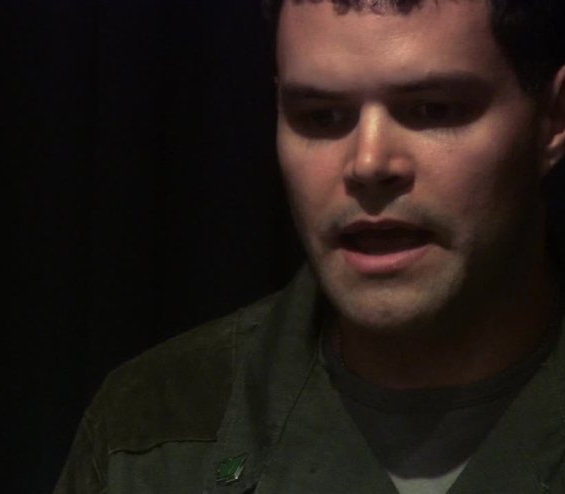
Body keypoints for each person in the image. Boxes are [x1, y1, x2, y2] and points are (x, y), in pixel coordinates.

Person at [55, 0, 565, 492]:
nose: (368, 163)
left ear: (553, 118)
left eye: (433, 109)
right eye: (321, 117)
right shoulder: (151, 433)